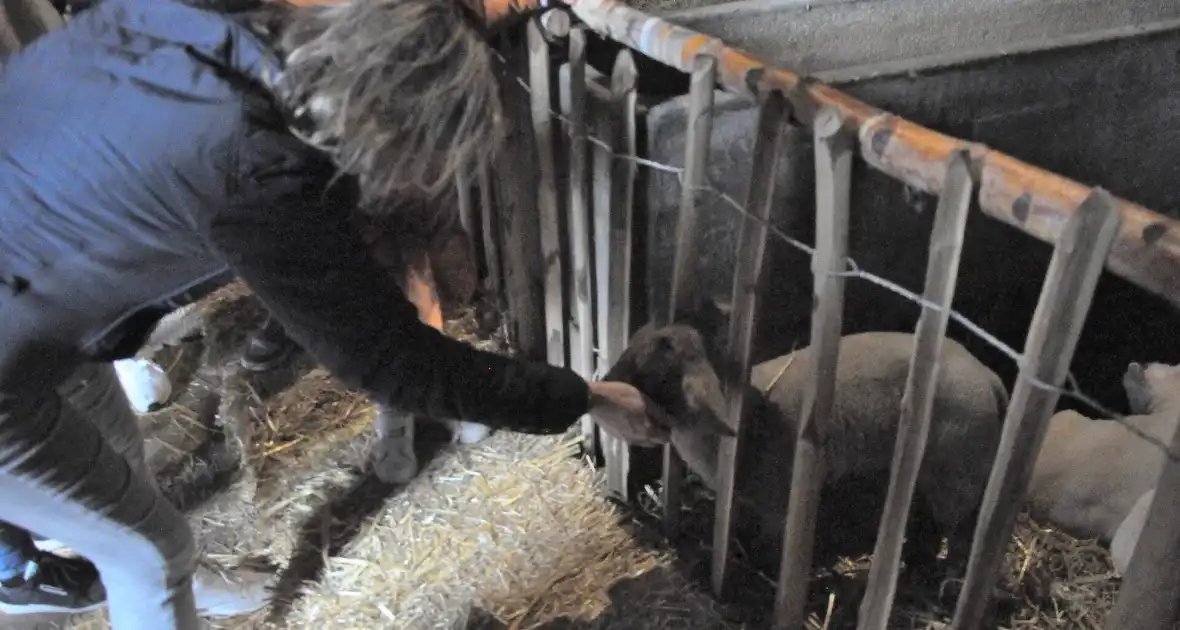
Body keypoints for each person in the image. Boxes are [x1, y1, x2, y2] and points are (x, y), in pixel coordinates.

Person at [0, 0, 672, 627]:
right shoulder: (257, 168)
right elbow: (391, 363)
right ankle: (119, 561)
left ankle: (80, 530)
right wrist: (585, 396)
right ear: (383, 114)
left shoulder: (195, 22)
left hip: (37, 289)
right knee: (149, 551)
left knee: (111, 450)